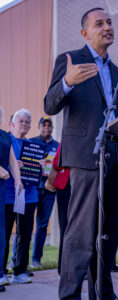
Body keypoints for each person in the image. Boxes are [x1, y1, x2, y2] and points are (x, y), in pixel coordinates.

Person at [44, 7, 118, 300]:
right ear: (85, 33)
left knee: (108, 231)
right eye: (99, 23)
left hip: (114, 161)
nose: (108, 27)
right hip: (84, 158)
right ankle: (70, 295)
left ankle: (102, 292)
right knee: (79, 234)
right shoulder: (70, 60)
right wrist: (67, 83)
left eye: (110, 22)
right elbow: (49, 106)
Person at [4, 109, 38, 284]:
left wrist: (38, 166)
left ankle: (19, 272)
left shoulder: (33, 146)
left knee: (25, 234)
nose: (24, 124)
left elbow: (40, 171)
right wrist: (12, 165)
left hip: (29, 196)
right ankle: (2, 272)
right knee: (5, 233)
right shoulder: (5, 141)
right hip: (8, 195)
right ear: (12, 124)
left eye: (27, 122)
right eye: (21, 121)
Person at [30, 117, 59, 268]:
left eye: (49, 125)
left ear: (52, 128)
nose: (47, 128)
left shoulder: (57, 146)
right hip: (32, 187)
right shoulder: (31, 142)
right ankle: (17, 259)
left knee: (42, 225)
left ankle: (36, 259)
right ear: (39, 126)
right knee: (25, 225)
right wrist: (37, 163)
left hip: (49, 189)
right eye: (44, 125)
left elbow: (62, 167)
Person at [0, 107, 23, 292]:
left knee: (0, 232)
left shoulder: (5, 137)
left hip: (2, 189)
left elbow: (12, 161)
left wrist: (18, 180)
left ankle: (0, 274)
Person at [45, 144, 71, 275]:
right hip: (65, 188)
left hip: (83, 186)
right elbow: (56, 162)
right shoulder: (66, 139)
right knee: (65, 228)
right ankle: (63, 269)